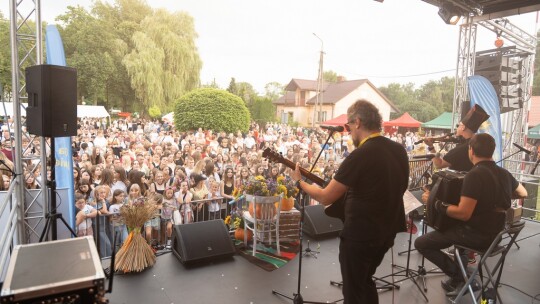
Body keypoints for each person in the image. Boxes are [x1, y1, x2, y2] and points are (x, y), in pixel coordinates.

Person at [291, 99, 409, 304]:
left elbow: (326, 196)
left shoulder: (361, 154)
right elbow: (402, 186)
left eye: (348, 126)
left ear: (358, 122)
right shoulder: (398, 150)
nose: (347, 131)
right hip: (387, 231)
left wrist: (299, 182)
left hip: (361, 235)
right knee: (365, 281)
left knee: (353, 292)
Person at [414, 133, 527, 297]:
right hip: (496, 234)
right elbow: (522, 193)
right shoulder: (503, 173)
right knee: (457, 235)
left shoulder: (474, 175)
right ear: (491, 151)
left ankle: (462, 277)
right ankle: (460, 277)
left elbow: (463, 214)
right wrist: (500, 195)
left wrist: (435, 203)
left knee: (421, 243)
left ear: (471, 151)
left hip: (477, 236)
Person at [425, 104, 489, 172]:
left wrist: (431, 147)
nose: (457, 128)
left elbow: (439, 164)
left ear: (463, 127)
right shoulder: (481, 145)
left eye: (458, 125)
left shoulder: (461, 148)